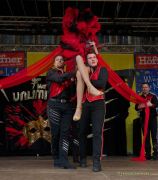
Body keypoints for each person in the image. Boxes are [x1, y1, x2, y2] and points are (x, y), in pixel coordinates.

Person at [79, 48, 108, 172]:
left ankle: (97, 162)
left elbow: (102, 83)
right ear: (87, 61)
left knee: (97, 133)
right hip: (85, 104)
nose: (93, 59)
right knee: (81, 132)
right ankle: (83, 158)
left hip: (98, 104)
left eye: (94, 57)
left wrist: (86, 80)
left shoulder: (103, 70)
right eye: (90, 58)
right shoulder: (82, 70)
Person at [46, 55, 76, 169]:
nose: (60, 61)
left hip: (67, 106)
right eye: (57, 60)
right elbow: (59, 79)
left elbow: (72, 92)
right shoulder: (51, 72)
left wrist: (73, 80)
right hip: (54, 105)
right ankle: (56, 158)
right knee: (56, 133)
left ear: (64, 62)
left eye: (62, 60)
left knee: (65, 133)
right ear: (54, 63)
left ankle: (64, 160)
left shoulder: (67, 75)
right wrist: (73, 73)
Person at [135, 83, 158, 160]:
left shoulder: (153, 96)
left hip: (153, 119)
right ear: (142, 88)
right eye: (143, 87)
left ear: (149, 88)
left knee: (154, 137)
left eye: (146, 87)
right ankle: (148, 154)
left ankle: (156, 154)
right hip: (144, 120)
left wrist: (150, 104)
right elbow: (136, 107)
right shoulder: (139, 97)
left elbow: (156, 105)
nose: (145, 89)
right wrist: (141, 106)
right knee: (146, 137)